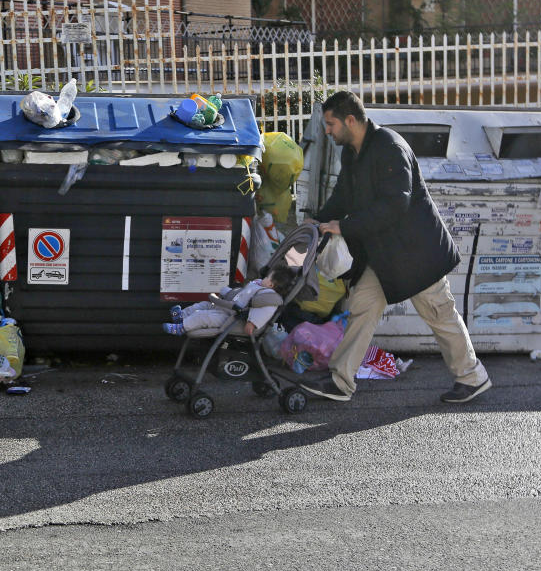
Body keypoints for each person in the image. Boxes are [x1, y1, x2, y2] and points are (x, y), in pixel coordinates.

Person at [300, 91, 490, 404]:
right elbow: (343, 197)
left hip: (418, 254)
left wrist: (343, 226)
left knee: (439, 315)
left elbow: (394, 205)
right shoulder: (352, 153)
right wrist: (316, 222)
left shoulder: (389, 147)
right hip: (386, 254)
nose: (327, 131)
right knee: (362, 306)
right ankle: (340, 381)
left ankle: (472, 377)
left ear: (350, 120)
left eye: (331, 123)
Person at [163, 266, 297, 337]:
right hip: (226, 307)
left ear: (271, 285)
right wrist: (226, 292)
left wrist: (252, 323)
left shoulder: (269, 297)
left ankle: (181, 328)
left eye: (268, 277)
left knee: (203, 316)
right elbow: (241, 294)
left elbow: (263, 311)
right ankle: (182, 317)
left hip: (233, 318)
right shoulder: (258, 286)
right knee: (204, 305)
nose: (265, 277)